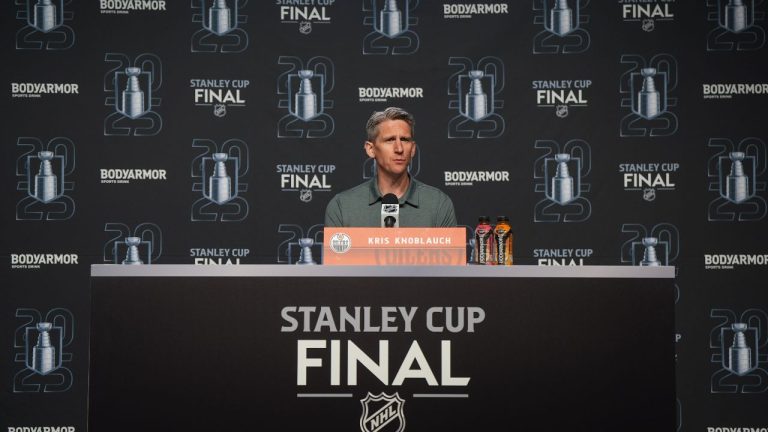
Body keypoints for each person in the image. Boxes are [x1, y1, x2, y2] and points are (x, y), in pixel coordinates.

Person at [325, 107, 457, 227]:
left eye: (405, 140)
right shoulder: (342, 206)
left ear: (412, 149)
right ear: (371, 149)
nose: (399, 149)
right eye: (390, 140)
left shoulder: (439, 204)